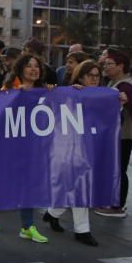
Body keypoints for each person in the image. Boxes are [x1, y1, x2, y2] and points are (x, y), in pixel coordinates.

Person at [44, 60, 101, 245]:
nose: (94, 79)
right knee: (79, 187)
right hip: (69, 149)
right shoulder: (69, 95)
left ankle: (53, 212)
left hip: (90, 149)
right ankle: (82, 230)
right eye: (89, 75)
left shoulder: (102, 96)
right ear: (80, 77)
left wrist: (120, 102)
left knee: (75, 187)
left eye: (97, 76)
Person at [1, 54, 52, 243]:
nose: (34, 69)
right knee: (3, 182)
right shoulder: (10, 89)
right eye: (29, 66)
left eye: (37, 66)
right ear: (21, 69)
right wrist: (13, 95)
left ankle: (27, 226)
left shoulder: (46, 91)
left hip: (35, 148)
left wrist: (78, 91)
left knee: (29, 185)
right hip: (11, 148)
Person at [96, 51, 132, 218]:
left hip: (124, 134)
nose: (106, 67)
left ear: (121, 66)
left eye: (110, 64)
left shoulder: (125, 85)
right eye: (105, 64)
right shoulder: (115, 83)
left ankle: (117, 206)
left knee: (119, 169)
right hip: (119, 134)